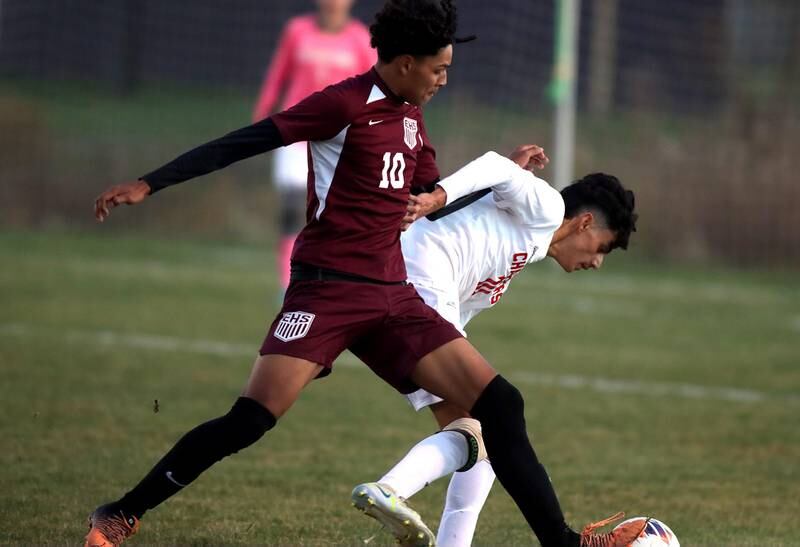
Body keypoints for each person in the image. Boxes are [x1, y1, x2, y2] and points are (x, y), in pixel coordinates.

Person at [85, 1, 645, 546]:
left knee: (501, 406)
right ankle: (120, 514)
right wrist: (150, 183)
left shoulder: (412, 119)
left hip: (394, 297)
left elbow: (432, 201)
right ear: (406, 64)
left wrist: (506, 187)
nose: (443, 80)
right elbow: (250, 138)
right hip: (328, 289)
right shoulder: (342, 105)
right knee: (250, 420)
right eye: (439, 69)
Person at [349, 147, 639, 547]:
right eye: (603, 248)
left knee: (484, 435)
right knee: (499, 415)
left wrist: (502, 184)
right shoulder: (550, 209)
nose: (597, 262)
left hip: (403, 293)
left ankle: (405, 504)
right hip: (413, 288)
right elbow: (493, 166)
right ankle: (389, 490)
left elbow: (489, 192)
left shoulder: (528, 238)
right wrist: (437, 196)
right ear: (586, 222)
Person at [252, 0, 375, 289]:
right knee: (294, 208)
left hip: (340, 139)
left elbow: (374, 88)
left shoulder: (361, 39)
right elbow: (277, 75)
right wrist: (262, 113)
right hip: (295, 132)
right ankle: (289, 282)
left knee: (337, 213)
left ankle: (334, 279)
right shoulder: (297, 31)